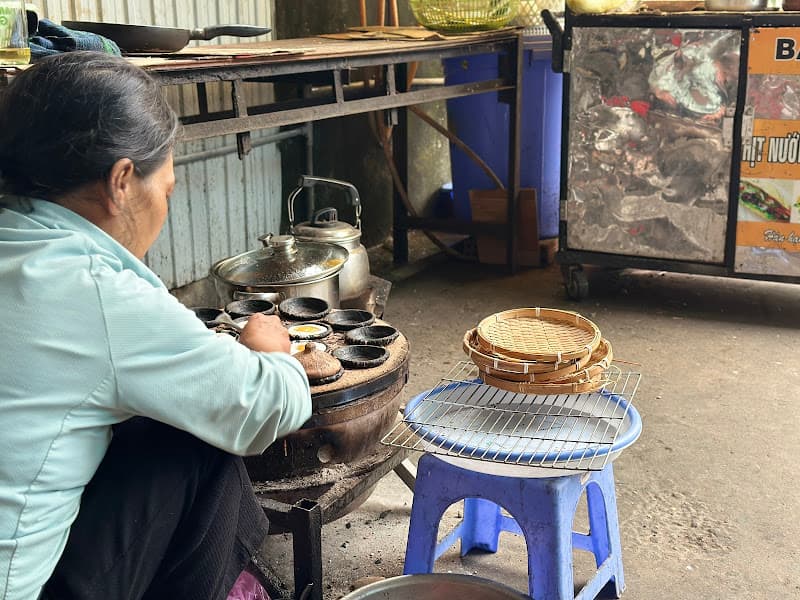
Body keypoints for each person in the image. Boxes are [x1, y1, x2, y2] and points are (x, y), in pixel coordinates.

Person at [0, 52, 312, 600]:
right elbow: (262, 405)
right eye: (166, 190)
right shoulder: (92, 290)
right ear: (122, 181)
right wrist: (275, 356)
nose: (165, 209)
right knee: (197, 441)